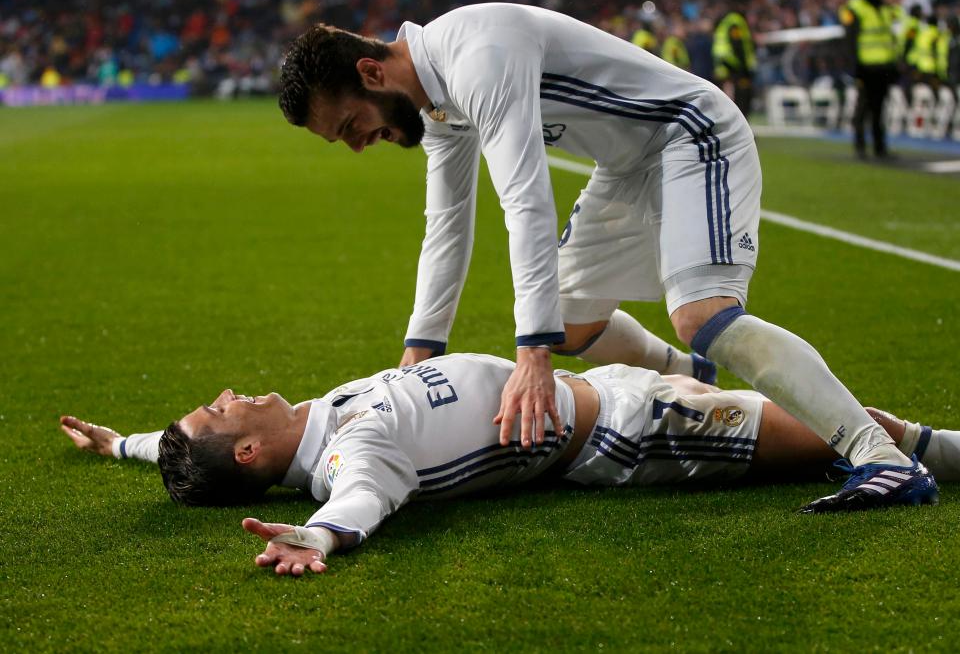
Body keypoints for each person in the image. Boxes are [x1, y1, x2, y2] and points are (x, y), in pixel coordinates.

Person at [276, 2, 934, 512]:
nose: (360, 145)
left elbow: (526, 202)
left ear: (370, 74)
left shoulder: (474, 53)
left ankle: (878, 456)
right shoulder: (439, 105)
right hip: (628, 164)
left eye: (349, 127)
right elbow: (446, 228)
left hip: (688, 129)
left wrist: (531, 355)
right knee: (568, 318)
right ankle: (697, 373)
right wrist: (418, 356)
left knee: (702, 312)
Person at [60, 353, 945, 577]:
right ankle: (939, 452)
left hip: (596, 386)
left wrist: (127, 445)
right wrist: (322, 537)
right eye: (219, 413)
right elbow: (366, 498)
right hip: (631, 430)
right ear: (251, 453)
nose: (225, 392)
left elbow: (193, 456)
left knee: (824, 412)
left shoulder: (312, 418)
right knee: (838, 427)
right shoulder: (346, 455)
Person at [839, 0, 899, 159]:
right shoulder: (856, 8)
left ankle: (880, 148)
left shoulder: (884, 8)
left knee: (879, 110)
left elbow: (888, 38)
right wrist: (855, 69)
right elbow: (850, 40)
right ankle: (860, 147)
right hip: (866, 68)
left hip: (883, 67)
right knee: (863, 109)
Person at [711, 7, 755, 116]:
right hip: (731, 63)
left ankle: (727, 121)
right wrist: (744, 67)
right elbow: (737, 44)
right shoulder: (736, 21)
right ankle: (734, 121)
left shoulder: (724, 21)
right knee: (735, 96)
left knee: (727, 94)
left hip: (721, 63)